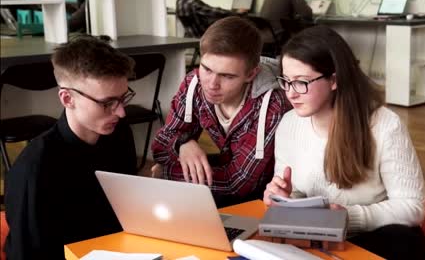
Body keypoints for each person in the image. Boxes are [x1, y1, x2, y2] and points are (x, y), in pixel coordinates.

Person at [263, 26, 425, 259]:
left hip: (370, 235)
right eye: (286, 81)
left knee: (405, 240)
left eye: (301, 82)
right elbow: (296, 192)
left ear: (333, 80)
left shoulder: (384, 124)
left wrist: (349, 217)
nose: (290, 93)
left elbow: (412, 207)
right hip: (313, 234)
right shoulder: (288, 124)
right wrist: (283, 198)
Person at [4, 36, 137, 260]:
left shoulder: (118, 133)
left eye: (124, 98)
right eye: (107, 103)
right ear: (67, 99)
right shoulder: (35, 168)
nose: (121, 112)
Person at [152, 16, 290, 208]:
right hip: (220, 186)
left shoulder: (272, 103)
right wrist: (182, 144)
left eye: (227, 76)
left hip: (264, 201)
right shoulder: (194, 82)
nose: (211, 84)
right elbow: (160, 147)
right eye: (207, 69)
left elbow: (239, 183)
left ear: (251, 74)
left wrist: (166, 173)